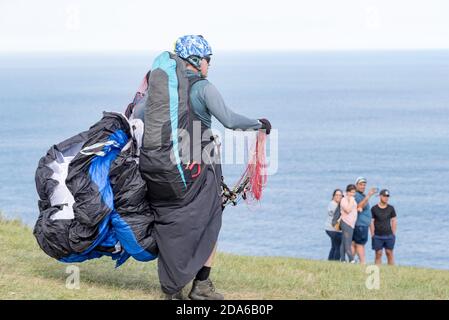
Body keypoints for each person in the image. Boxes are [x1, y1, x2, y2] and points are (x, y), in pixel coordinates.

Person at [159, 35, 272, 300]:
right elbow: (230, 121)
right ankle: (201, 286)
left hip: (169, 165)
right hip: (202, 166)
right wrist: (260, 123)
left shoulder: (166, 89)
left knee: (175, 221)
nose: (210, 65)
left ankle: (173, 287)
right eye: (208, 59)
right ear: (196, 61)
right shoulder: (204, 88)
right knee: (210, 221)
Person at [352, 177, 377, 264]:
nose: (363, 187)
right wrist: (369, 195)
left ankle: (351, 261)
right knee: (359, 244)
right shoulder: (356, 195)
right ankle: (363, 263)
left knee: (354, 244)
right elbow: (359, 206)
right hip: (360, 224)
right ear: (356, 185)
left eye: (364, 185)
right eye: (361, 185)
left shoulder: (360, 195)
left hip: (361, 224)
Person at [370, 189, 397, 265]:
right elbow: (371, 222)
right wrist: (372, 234)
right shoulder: (374, 208)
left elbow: (394, 220)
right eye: (384, 196)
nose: (386, 198)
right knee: (378, 253)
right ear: (380, 196)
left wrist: (393, 234)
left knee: (389, 253)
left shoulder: (391, 208)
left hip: (389, 235)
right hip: (377, 235)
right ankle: (377, 270)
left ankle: (391, 271)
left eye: (387, 196)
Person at [339, 184, 358, 263]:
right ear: (347, 192)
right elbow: (348, 210)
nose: (353, 194)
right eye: (351, 192)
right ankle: (351, 259)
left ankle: (343, 260)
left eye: (354, 193)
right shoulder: (344, 200)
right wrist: (351, 200)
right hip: (346, 223)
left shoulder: (351, 199)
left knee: (344, 242)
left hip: (351, 224)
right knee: (348, 242)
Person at [325, 189, 343, 261]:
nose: (338, 197)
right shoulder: (334, 204)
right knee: (339, 246)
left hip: (329, 229)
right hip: (333, 229)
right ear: (333, 196)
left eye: (340, 195)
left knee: (334, 246)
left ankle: (330, 261)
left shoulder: (331, 203)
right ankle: (336, 262)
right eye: (336, 195)